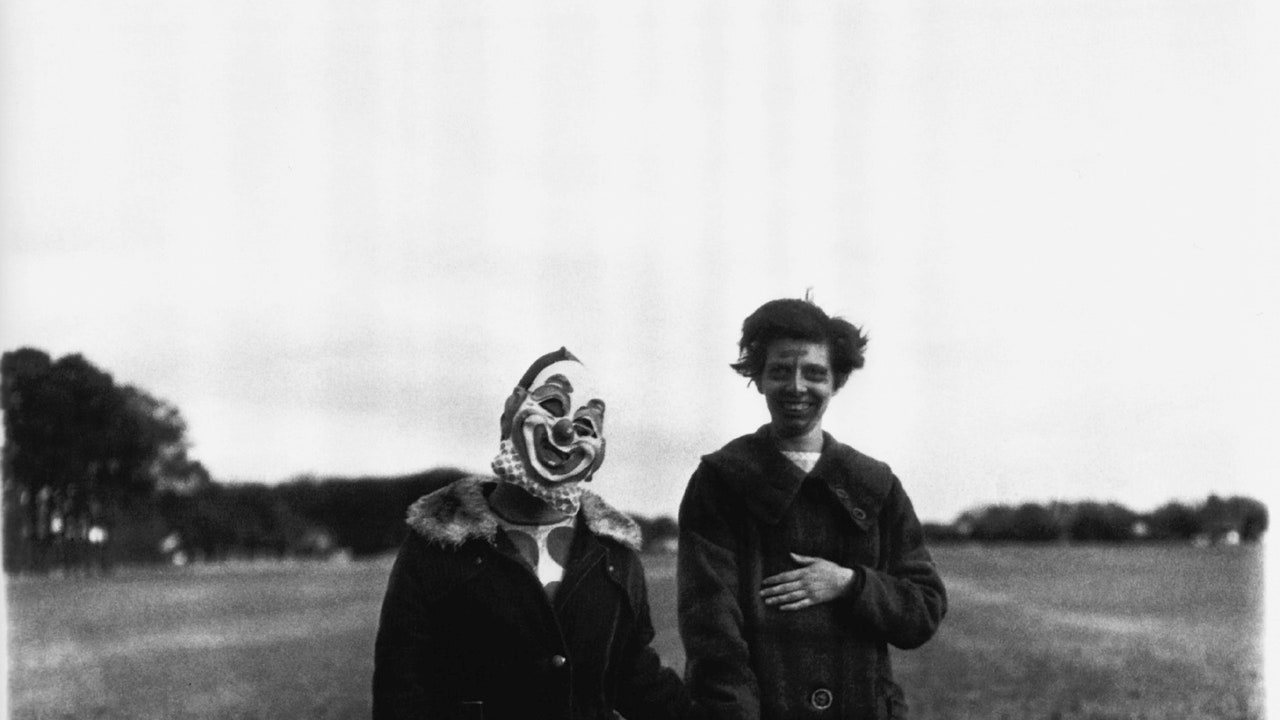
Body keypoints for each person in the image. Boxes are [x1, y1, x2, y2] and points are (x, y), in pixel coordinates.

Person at [373, 347, 703, 720]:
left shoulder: (614, 556)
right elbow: (400, 689)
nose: (565, 430)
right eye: (551, 406)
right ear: (509, 415)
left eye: (585, 426)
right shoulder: (436, 544)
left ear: (598, 455)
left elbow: (635, 674)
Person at [677, 298, 947, 720]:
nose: (797, 387)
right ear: (759, 379)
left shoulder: (877, 485)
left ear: (836, 382)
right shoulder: (720, 481)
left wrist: (850, 583)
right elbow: (711, 631)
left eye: (815, 373)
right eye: (780, 371)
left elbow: (924, 610)